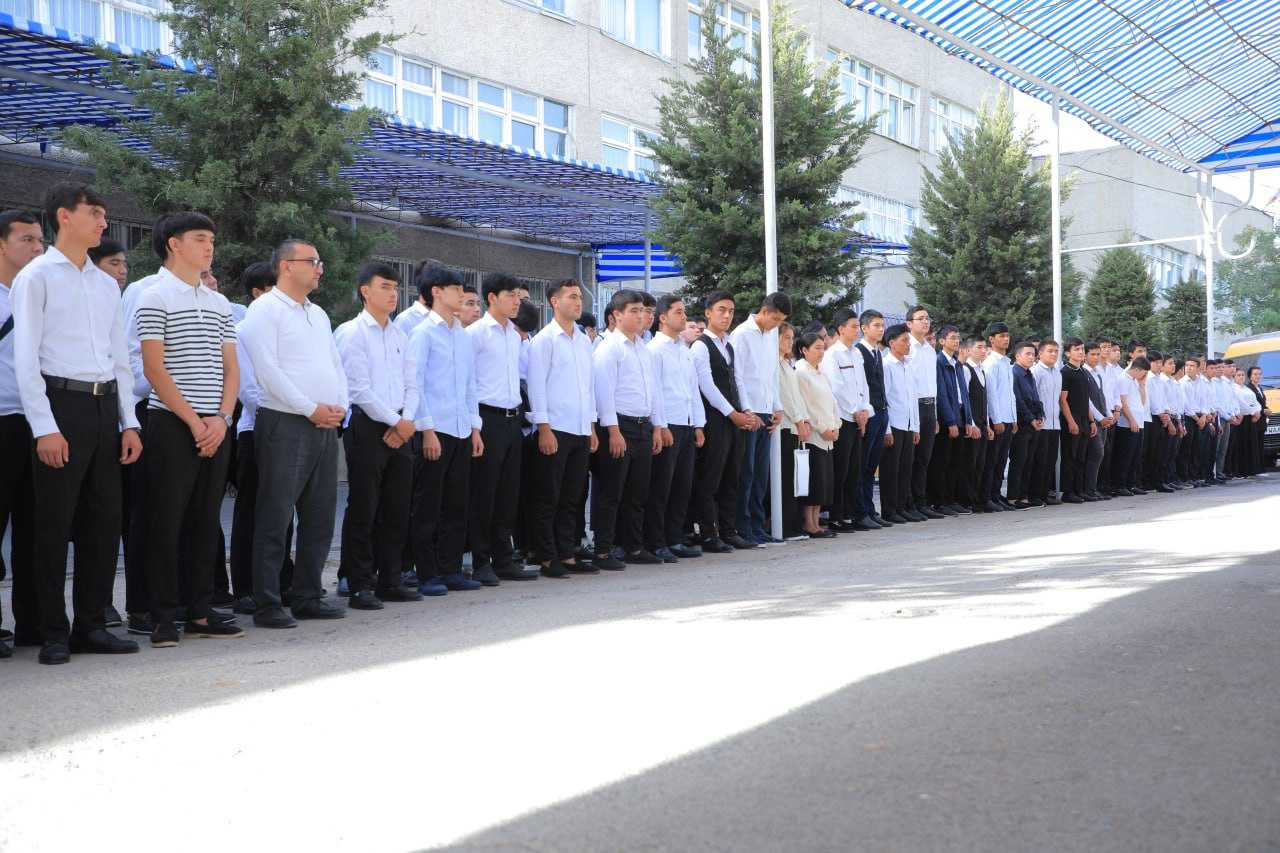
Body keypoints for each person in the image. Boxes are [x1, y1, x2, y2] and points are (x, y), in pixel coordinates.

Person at [11, 182, 142, 664]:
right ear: (64, 217)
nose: (103, 222)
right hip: (60, 405)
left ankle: (92, 625)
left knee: (102, 523)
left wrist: (130, 422)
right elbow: (25, 359)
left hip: (105, 408)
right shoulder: (37, 276)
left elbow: (119, 357)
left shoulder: (106, 284)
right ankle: (52, 631)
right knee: (53, 524)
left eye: (105, 214)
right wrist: (44, 427)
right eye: (95, 213)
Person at [134, 212, 243, 646]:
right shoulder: (152, 295)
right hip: (171, 423)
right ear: (174, 244)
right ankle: (163, 615)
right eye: (200, 238)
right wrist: (195, 422)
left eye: (211, 239)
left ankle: (200, 611)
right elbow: (153, 368)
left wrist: (222, 418)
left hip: (215, 424)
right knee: (166, 521)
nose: (209, 246)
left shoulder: (219, 303)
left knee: (205, 520)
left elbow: (232, 369)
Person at [239, 238, 349, 628]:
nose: (320, 268)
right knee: (276, 515)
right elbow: (267, 371)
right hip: (285, 421)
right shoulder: (264, 309)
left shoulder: (317, 314)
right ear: (286, 265)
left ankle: (308, 595)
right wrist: (309, 407)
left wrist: (339, 406)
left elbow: (335, 365)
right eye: (312, 261)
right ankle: (267, 601)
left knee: (320, 516)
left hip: (324, 424)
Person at [333, 261, 423, 610]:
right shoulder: (351, 333)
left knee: (397, 508)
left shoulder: (400, 335)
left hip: (401, 426)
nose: (393, 294)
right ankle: (358, 583)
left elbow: (413, 383)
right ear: (365, 291)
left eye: (395, 288)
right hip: (367, 427)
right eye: (385, 287)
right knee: (364, 507)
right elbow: (357, 389)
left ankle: (390, 579)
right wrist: (395, 422)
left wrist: (406, 420)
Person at [408, 262, 484, 595]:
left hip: (461, 430)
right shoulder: (423, 333)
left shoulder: (462, 336)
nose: (462, 295)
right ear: (437, 292)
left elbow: (470, 386)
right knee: (428, 505)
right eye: (456, 289)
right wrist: (426, 430)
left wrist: (475, 428)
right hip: (434, 430)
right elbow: (415, 385)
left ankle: (450, 568)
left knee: (457, 503)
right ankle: (426, 573)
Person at [228, 262, 294, 615]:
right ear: (257, 293)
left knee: (283, 511)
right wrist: (282, 412)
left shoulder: (288, 331)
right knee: (251, 511)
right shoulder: (242, 332)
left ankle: (282, 581)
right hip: (257, 431)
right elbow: (247, 388)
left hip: (291, 429)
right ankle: (245, 588)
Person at [466, 272, 539, 583]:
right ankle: (481, 561)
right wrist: (475, 427)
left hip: (512, 420)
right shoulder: (476, 334)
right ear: (492, 297)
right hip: (487, 419)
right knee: (485, 492)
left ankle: (504, 558)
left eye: (518, 297)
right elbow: (468, 384)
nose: (516, 302)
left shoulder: (513, 335)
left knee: (508, 493)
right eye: (510, 296)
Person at [526, 279, 598, 578]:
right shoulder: (544, 340)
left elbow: (588, 387)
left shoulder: (583, 340)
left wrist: (591, 426)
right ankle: (546, 555)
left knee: (572, 496)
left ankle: (567, 553)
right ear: (554, 302)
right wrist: (543, 427)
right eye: (571, 296)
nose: (578, 302)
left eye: (580, 296)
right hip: (554, 428)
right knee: (548, 496)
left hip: (580, 428)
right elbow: (536, 387)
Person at [591, 289, 665, 568]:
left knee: (638, 492)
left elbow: (653, 391)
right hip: (619, 426)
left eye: (642, 311)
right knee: (611, 492)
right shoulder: (609, 348)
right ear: (617, 315)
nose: (640, 316)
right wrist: (613, 431)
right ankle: (603, 550)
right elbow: (604, 393)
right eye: (633, 311)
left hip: (643, 426)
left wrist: (657, 426)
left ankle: (633, 547)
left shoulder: (643, 348)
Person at [0, 209, 44, 656]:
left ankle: (34, 622)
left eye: (40, 241)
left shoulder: (39, 293)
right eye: (27, 240)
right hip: (1, 420)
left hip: (38, 425)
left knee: (37, 528)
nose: (37, 248)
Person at [690, 291, 760, 552]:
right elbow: (706, 385)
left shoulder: (729, 344)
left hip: (735, 418)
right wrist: (733, 413)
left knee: (733, 475)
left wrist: (747, 410)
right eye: (721, 309)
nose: (727, 315)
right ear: (708, 312)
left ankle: (729, 531)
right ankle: (709, 533)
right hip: (714, 419)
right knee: (711, 477)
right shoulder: (700, 346)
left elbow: (738, 379)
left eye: (731, 311)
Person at [645, 294, 706, 561]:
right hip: (667, 424)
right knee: (662, 488)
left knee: (682, 486)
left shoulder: (684, 349)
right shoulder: (655, 349)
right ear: (662, 318)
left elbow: (692, 389)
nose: (684, 316)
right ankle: (656, 542)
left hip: (686, 423)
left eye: (684, 312)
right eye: (678, 312)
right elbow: (655, 392)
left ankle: (675, 538)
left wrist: (698, 424)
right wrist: (660, 425)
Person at [729, 292, 789, 545]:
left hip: (766, 411)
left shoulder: (771, 335)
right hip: (749, 412)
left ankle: (757, 524)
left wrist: (777, 406)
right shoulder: (742, 334)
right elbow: (738, 376)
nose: (777, 324)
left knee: (761, 474)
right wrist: (746, 409)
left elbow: (771, 374)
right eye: (775, 319)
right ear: (764, 311)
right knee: (747, 472)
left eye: (781, 321)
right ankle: (742, 527)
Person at [820, 308, 873, 531]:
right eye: (853, 326)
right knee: (840, 470)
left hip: (858, 419)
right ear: (841, 329)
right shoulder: (832, 354)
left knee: (854, 469)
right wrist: (855, 411)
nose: (857, 330)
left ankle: (848, 515)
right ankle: (835, 516)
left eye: (858, 326)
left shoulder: (856, 353)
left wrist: (865, 410)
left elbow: (863, 385)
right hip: (842, 418)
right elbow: (836, 388)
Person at [793, 330, 840, 538]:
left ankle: (816, 522)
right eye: (817, 348)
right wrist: (823, 429)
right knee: (814, 481)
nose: (821, 352)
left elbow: (832, 402)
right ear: (804, 350)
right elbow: (806, 406)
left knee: (824, 482)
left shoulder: (820, 372)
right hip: (814, 436)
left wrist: (836, 425)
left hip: (829, 435)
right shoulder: (801, 372)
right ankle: (809, 523)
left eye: (823, 348)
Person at [929, 324, 977, 515]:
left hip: (961, 415)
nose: (957, 341)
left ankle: (952, 499)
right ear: (942, 341)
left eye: (958, 338)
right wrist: (950, 421)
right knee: (943, 462)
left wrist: (968, 420)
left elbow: (964, 394)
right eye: (952, 338)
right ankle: (940, 502)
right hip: (947, 418)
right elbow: (941, 394)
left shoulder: (958, 364)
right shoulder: (939, 362)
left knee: (957, 462)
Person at [878, 323, 919, 523]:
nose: (908, 344)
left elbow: (913, 397)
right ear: (892, 343)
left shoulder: (908, 365)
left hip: (908, 424)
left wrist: (916, 426)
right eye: (904, 340)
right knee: (890, 470)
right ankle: (890, 509)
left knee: (905, 468)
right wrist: (886, 429)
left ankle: (902, 507)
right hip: (894, 424)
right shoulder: (886, 365)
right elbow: (884, 399)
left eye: (908, 340)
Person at [854, 310, 891, 528]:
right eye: (876, 325)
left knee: (871, 466)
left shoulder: (877, 352)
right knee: (863, 465)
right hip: (868, 415)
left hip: (881, 412)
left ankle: (870, 509)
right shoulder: (859, 352)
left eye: (882, 325)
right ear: (864, 328)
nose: (881, 329)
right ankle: (860, 512)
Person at [774, 322, 811, 540]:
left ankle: (794, 523)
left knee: (795, 479)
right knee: (786, 479)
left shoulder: (788, 364)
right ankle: (784, 526)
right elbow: (785, 397)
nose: (790, 342)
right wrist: (798, 420)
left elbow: (797, 396)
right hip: (786, 426)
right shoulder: (774, 363)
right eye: (785, 337)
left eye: (791, 338)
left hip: (796, 426)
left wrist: (804, 419)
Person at [905, 306, 941, 519]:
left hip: (929, 406)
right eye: (921, 318)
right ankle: (908, 503)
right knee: (911, 458)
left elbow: (932, 383)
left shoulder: (929, 349)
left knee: (924, 458)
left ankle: (921, 501)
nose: (926, 322)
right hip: (913, 406)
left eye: (927, 318)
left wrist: (934, 413)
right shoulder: (906, 347)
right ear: (909, 323)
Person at [981, 322, 1017, 510]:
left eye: (1007, 335)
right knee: (992, 460)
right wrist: (996, 419)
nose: (1005, 339)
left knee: (1002, 460)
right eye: (1001, 336)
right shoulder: (991, 363)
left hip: (1008, 418)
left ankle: (996, 494)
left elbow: (1010, 393)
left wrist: (1014, 418)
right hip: (998, 420)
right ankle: (987, 497)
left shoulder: (1007, 363)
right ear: (991, 339)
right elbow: (991, 394)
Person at [1057, 337, 1095, 503]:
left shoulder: (1083, 372)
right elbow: (1063, 400)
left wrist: (1091, 421)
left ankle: (1079, 490)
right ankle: (1068, 491)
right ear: (1067, 353)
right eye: (1076, 349)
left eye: (1082, 349)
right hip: (1071, 419)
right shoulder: (1065, 372)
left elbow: (1086, 399)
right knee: (1070, 456)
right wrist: (1071, 421)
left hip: (1084, 418)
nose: (1081, 352)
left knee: (1081, 456)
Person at [1007, 341, 1044, 508]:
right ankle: (1013, 497)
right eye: (1027, 354)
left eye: (1033, 354)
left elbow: (1035, 397)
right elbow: (1018, 400)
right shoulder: (1014, 373)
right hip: (1022, 424)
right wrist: (1030, 419)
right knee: (1019, 461)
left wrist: (1039, 416)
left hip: (1033, 423)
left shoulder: (1029, 374)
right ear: (1017, 356)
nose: (1031, 357)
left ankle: (1024, 496)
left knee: (1029, 461)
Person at [962, 336, 996, 512]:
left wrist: (988, 424)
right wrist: (972, 423)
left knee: (980, 463)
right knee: (970, 463)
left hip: (983, 424)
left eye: (985, 348)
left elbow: (985, 400)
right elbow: (965, 399)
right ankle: (968, 500)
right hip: (973, 425)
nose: (984, 351)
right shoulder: (966, 369)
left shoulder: (982, 370)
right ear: (969, 350)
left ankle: (978, 498)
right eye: (979, 347)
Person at [1030, 339, 1062, 505]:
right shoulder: (1036, 371)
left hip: (1055, 423)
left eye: (1056, 351)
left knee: (1050, 460)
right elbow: (1032, 397)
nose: (1054, 354)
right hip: (1041, 423)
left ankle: (1045, 493)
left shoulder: (1057, 372)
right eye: (1050, 351)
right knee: (1039, 461)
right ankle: (1035, 495)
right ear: (1040, 353)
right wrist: (1036, 417)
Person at [1113, 356, 1150, 494]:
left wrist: (1142, 385)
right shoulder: (1123, 379)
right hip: (1127, 424)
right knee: (1125, 456)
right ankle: (1120, 485)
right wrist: (1132, 420)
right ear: (1137, 369)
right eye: (1144, 372)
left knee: (1135, 456)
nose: (1144, 375)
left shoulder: (1134, 381)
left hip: (1138, 422)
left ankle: (1131, 484)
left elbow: (1142, 402)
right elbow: (1123, 403)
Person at [1081, 341, 1112, 501]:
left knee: (1100, 455)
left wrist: (1108, 415)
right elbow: (1087, 401)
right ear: (1085, 356)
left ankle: (1094, 488)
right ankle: (1088, 489)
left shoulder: (1097, 373)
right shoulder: (1084, 373)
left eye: (1098, 354)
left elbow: (1102, 396)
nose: (1096, 357)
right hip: (1092, 420)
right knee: (1095, 453)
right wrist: (1100, 418)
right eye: (1092, 354)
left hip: (1103, 420)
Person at [1245, 366, 1268, 475]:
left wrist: (1266, 409)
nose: (1258, 376)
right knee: (1255, 446)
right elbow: (1251, 405)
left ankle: (1261, 468)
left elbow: (1262, 404)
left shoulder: (1260, 388)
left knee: (1260, 445)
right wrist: (1263, 411)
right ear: (1250, 376)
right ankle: (1255, 469)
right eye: (1255, 374)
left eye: (1259, 374)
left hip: (1262, 421)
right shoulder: (1248, 388)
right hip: (1254, 420)